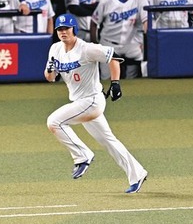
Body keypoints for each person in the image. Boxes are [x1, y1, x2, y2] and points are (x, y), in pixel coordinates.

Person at [44, 13, 148, 193]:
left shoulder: (87, 49)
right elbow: (50, 78)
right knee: (109, 141)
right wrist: (50, 69)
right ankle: (137, 174)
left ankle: (82, 156)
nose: (63, 32)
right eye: (59, 29)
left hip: (92, 101)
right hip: (80, 103)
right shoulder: (55, 49)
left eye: (66, 28)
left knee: (54, 122)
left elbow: (113, 57)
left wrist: (115, 83)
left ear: (74, 29)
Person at [91, 0, 148, 79]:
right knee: (107, 79)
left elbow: (146, 21)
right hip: (109, 43)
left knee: (133, 78)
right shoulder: (106, 2)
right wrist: (95, 43)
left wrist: (146, 41)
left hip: (131, 44)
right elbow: (94, 22)